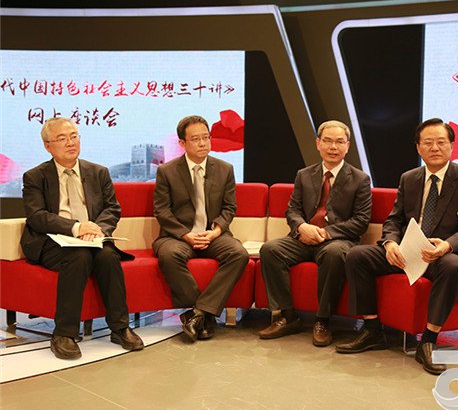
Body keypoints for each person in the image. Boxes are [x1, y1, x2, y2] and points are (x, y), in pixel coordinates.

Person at [336, 118, 458, 375]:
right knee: (357, 255)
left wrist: (447, 246)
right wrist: (390, 243)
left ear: (452, 146)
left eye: (441, 142)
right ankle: (373, 330)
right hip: (408, 251)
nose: (435, 148)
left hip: (441, 255)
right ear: (418, 147)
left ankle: (428, 340)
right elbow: (394, 219)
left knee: (452, 265)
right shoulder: (409, 178)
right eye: (428, 142)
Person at [21, 117, 144, 359]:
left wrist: (97, 229)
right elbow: (37, 216)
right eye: (62, 138)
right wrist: (76, 228)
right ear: (48, 146)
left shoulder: (98, 172)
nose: (70, 143)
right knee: (78, 256)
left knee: (107, 256)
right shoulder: (35, 176)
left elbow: (112, 208)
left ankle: (120, 327)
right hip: (51, 241)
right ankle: (64, 333)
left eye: (74, 136)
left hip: (92, 238)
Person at [258, 120, 372, 346]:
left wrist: (326, 233)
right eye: (327, 141)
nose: (333, 147)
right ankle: (287, 316)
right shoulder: (304, 174)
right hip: (303, 238)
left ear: (347, 146)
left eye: (339, 142)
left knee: (334, 254)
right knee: (270, 250)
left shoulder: (360, 179)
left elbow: (361, 221)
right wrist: (302, 227)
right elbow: (292, 210)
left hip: (336, 240)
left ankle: (323, 320)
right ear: (318, 144)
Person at [153, 115, 249, 342]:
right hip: (178, 236)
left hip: (213, 234)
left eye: (206, 137)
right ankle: (205, 317)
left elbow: (229, 208)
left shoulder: (225, 169)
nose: (203, 143)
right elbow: (162, 211)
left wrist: (216, 231)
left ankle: (198, 314)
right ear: (182, 143)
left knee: (238, 254)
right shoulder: (167, 171)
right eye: (196, 139)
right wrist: (186, 235)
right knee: (169, 255)